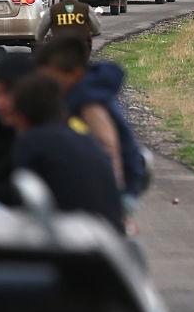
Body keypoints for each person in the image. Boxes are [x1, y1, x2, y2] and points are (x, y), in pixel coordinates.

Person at [36, 37, 147, 209]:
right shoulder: (85, 92)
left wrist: (111, 196)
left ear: (75, 73)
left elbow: (108, 148)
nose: (48, 84)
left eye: (52, 77)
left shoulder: (89, 102)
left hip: (114, 193)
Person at [10, 74, 124, 232]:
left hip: (74, 246)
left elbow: (20, 199)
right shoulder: (82, 136)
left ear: (20, 115)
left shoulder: (33, 141)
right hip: (110, 240)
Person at [36, 0, 101, 58]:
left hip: (59, 50)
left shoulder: (52, 10)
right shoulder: (86, 9)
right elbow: (97, 30)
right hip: (81, 51)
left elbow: (40, 34)